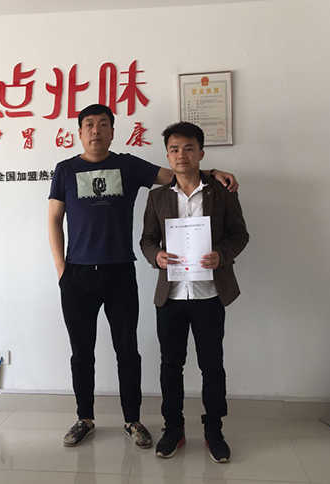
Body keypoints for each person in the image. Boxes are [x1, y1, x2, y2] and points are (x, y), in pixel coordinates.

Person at [48, 104, 239, 449]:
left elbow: (179, 173)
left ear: (112, 131)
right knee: (81, 351)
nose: (95, 131)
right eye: (89, 125)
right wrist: (62, 269)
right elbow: (53, 219)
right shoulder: (65, 169)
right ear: (80, 132)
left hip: (120, 271)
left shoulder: (128, 165)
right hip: (77, 275)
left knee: (127, 350)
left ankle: (132, 420)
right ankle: (84, 417)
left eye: (103, 124)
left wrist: (212, 171)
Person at [140, 121, 249, 461]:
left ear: (201, 153)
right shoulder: (157, 196)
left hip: (209, 295)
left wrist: (222, 255)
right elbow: (146, 240)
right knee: (170, 366)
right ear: (167, 155)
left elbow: (239, 234)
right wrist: (156, 257)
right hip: (170, 296)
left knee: (212, 366)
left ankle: (214, 430)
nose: (181, 155)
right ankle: (173, 429)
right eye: (174, 149)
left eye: (188, 148)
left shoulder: (221, 191)